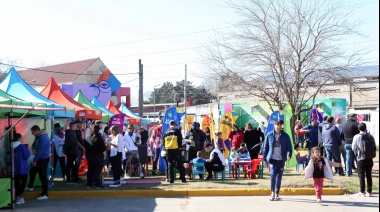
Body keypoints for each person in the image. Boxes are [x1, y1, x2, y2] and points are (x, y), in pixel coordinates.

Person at [261, 120, 292, 201]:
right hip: (272, 159)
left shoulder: (285, 136)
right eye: (277, 125)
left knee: (279, 176)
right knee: (273, 174)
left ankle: (277, 193)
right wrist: (264, 157)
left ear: (282, 126)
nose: (278, 126)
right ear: (274, 125)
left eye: (280, 125)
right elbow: (265, 147)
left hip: (281, 159)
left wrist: (289, 154)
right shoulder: (269, 135)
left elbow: (289, 147)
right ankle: (272, 192)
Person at [352, 123, 375, 197]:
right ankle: (369, 191)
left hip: (361, 158)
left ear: (358, 129)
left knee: (361, 175)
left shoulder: (356, 136)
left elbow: (353, 148)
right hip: (370, 158)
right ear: (366, 128)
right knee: (369, 175)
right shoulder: (371, 136)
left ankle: (362, 191)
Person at [29, 125, 50, 200]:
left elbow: (41, 150)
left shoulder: (43, 137)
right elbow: (33, 145)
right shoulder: (37, 137)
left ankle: (45, 194)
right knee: (32, 171)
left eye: (32, 132)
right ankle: (30, 186)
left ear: (36, 131)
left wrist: (35, 160)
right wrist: (34, 149)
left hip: (43, 159)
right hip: (39, 158)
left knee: (43, 176)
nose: (32, 134)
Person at [84, 124, 106, 189]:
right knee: (97, 171)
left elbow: (85, 147)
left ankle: (89, 184)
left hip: (90, 156)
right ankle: (98, 185)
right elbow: (103, 149)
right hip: (98, 157)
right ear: (99, 129)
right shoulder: (99, 138)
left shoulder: (88, 137)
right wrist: (104, 157)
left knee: (90, 170)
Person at [13, 133, 30, 204]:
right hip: (23, 168)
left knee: (16, 184)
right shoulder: (22, 147)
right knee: (23, 183)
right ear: (18, 139)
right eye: (21, 138)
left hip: (15, 169)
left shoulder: (10, 147)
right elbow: (27, 155)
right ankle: (21, 197)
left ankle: (17, 197)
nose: (22, 139)